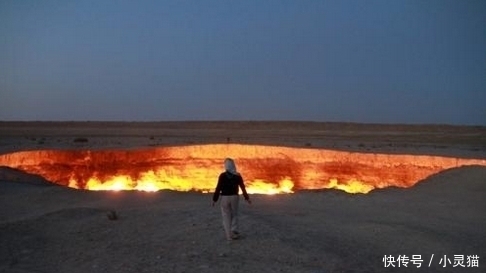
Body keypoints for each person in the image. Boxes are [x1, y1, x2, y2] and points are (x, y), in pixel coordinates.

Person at [212, 158, 251, 240]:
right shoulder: (238, 175)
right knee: (234, 214)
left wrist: (214, 199)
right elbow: (242, 187)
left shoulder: (222, 176)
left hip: (224, 197)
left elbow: (218, 188)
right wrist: (247, 198)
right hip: (234, 197)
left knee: (226, 215)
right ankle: (234, 231)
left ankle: (228, 235)